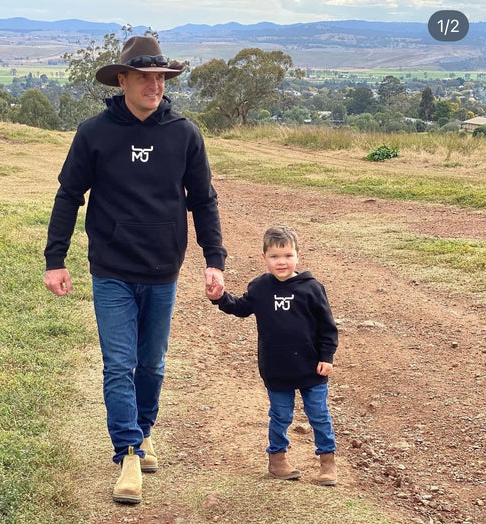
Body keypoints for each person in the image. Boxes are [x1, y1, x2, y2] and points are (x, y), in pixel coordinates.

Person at [44, 35, 227, 504]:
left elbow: (204, 200)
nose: (154, 85)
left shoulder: (184, 134)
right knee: (118, 364)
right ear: (122, 80)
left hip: (163, 269)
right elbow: (69, 195)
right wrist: (55, 260)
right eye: (144, 77)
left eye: (161, 78)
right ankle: (128, 452)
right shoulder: (94, 132)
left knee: (152, 363)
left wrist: (214, 260)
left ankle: (143, 431)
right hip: (111, 269)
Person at [210, 225, 338, 485]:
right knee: (280, 415)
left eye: (288, 255)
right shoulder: (260, 288)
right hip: (276, 367)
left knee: (318, 414)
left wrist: (327, 357)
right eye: (275, 256)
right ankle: (277, 458)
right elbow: (241, 308)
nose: (282, 262)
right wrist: (220, 298)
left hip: (312, 367)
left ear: (298, 256)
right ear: (264, 257)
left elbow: (327, 327)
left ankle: (327, 461)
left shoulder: (312, 288)